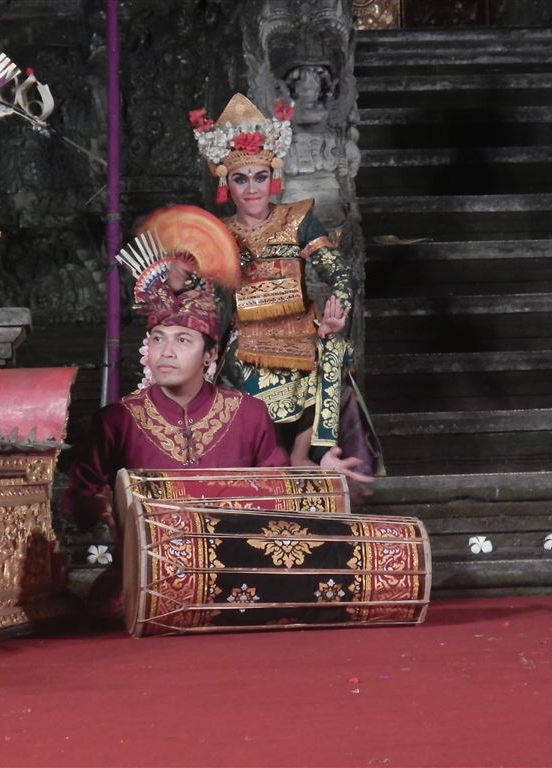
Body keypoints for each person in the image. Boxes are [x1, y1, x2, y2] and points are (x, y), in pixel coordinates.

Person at [64, 279, 369, 624]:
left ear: (210, 355)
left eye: (183, 340)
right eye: (158, 339)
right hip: (148, 578)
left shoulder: (248, 413)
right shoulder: (118, 419)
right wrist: (104, 508)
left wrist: (317, 472)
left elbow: (278, 491)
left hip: (241, 574)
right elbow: (81, 498)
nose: (166, 352)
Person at [187, 93, 380, 472]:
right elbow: (200, 291)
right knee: (237, 371)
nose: (252, 189)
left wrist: (336, 310)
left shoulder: (297, 220)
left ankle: (316, 455)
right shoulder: (218, 233)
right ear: (227, 183)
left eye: (260, 177)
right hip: (248, 337)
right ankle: (266, 460)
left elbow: (340, 273)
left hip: (301, 328)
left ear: (273, 177)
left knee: (331, 350)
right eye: (241, 179)